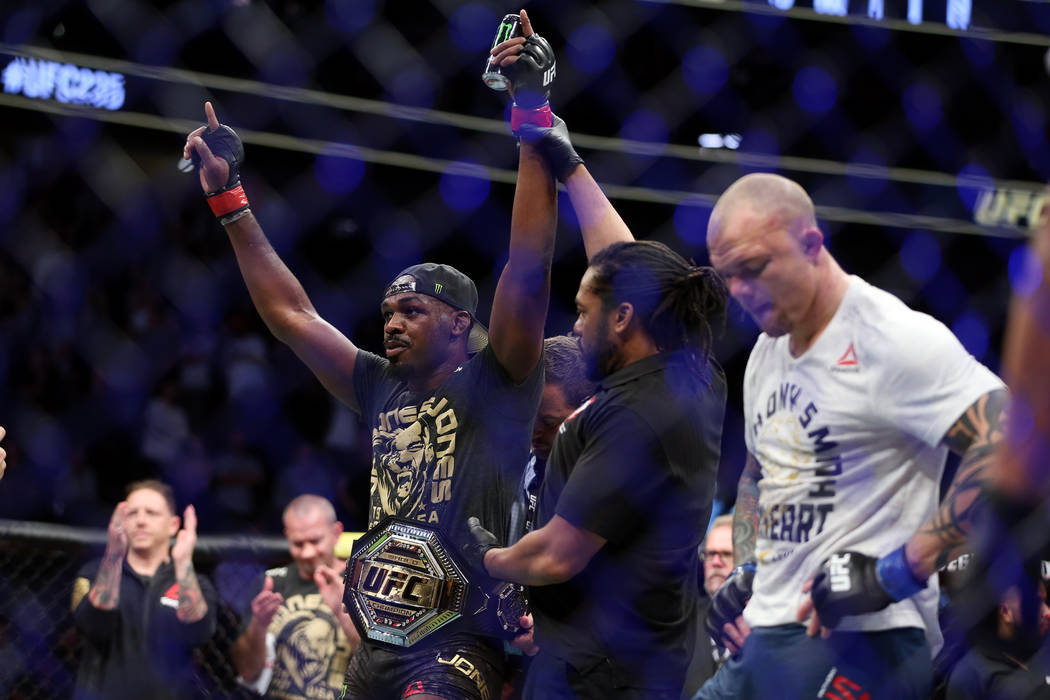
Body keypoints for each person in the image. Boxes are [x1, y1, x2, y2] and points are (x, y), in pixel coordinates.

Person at [182, 11, 557, 695]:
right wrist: (229, 201)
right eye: (386, 311)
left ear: (458, 323)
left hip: (462, 640)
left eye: (412, 310)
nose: (391, 322)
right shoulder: (380, 383)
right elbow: (292, 316)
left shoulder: (499, 380)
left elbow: (528, 268)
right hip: (378, 642)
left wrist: (531, 112)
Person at [472, 29, 728, 696]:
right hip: (650, 650)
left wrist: (484, 557)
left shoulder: (629, 418)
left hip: (594, 670)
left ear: (622, 320)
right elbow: (626, 266)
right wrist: (566, 158)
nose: (577, 323)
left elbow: (555, 556)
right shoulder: (693, 373)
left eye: (586, 311)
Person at [694, 172, 1007, 699]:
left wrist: (896, 571)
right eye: (729, 277)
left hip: (866, 638)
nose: (741, 292)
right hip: (765, 635)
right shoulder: (766, 356)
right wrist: (747, 567)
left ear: (811, 244)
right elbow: (758, 472)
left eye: (754, 269)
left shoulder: (890, 338)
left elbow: (1011, 437)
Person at [71, 479, 217, 699]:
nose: (140, 521)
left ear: (173, 525)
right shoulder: (93, 574)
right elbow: (92, 625)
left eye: (151, 513)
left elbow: (198, 632)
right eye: (132, 513)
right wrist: (114, 554)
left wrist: (184, 561)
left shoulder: (197, 583)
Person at [231, 494, 359, 699]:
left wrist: (341, 613)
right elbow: (247, 672)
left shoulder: (361, 582)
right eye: (298, 543)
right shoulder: (270, 584)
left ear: (336, 532)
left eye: (315, 541)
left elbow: (379, 668)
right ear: (287, 536)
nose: (307, 553)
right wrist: (259, 625)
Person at [508, 335, 597, 546]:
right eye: (528, 416)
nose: (533, 432)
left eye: (548, 422)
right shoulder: (511, 466)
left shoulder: (609, 482)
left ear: (587, 411)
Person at [944, 559, 1050, 699]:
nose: (1047, 612)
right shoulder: (972, 677)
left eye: (1045, 601)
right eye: (1037, 603)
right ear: (1005, 611)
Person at [681, 515, 734, 698]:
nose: (715, 562)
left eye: (726, 554)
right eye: (709, 554)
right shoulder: (681, 620)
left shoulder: (765, 623)